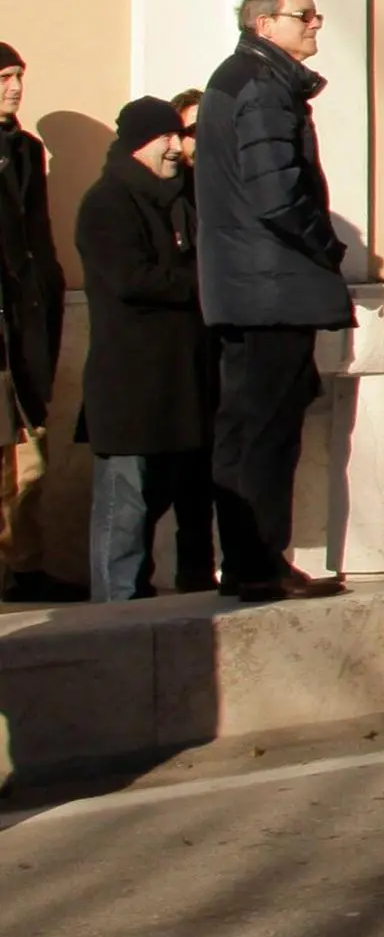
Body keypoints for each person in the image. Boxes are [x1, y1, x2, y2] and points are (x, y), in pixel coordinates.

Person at [196, 0, 352, 602]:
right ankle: (259, 564)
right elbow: (276, 193)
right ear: (265, 25)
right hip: (271, 287)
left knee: (246, 431)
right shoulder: (261, 86)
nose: (316, 24)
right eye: (303, 15)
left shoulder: (240, 79)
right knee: (266, 433)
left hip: (250, 286)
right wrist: (328, 247)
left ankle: (249, 563)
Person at [76, 97, 213, 601]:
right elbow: (130, 278)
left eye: (179, 136)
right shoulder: (107, 202)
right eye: (166, 138)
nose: (178, 147)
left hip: (179, 379)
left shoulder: (180, 198)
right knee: (125, 504)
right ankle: (113, 614)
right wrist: (202, 283)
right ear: (139, 143)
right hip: (129, 384)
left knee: (167, 496)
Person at [0, 42, 75, 599]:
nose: (15, 87)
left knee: (31, 462)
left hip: (24, 330)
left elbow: (38, 243)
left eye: (20, 76)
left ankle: (25, 569)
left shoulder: (25, 150)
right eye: (4, 77)